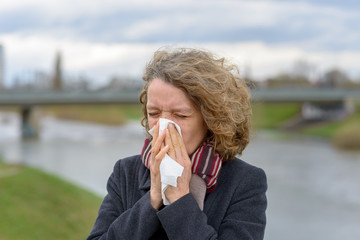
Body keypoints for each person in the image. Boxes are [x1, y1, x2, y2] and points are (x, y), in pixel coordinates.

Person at [87, 48, 267, 240]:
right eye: (154, 114)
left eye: (180, 115)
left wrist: (180, 200)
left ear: (211, 120)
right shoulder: (126, 172)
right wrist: (152, 199)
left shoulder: (245, 181)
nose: (163, 127)